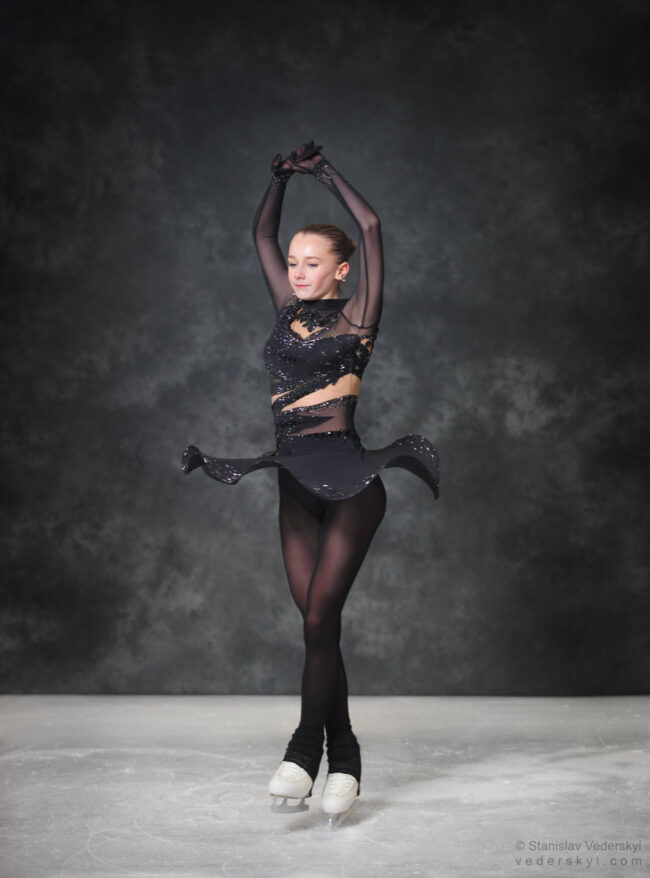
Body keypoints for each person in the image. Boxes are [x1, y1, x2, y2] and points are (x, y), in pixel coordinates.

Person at [181, 141, 439, 824]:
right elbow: (260, 233)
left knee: (322, 617)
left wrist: (324, 174)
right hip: (293, 480)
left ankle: (304, 749)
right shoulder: (284, 312)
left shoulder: (359, 318)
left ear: (342, 270)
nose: (296, 272)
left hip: (352, 481)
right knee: (316, 628)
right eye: (292, 264)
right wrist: (276, 178)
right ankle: (346, 754)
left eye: (312, 263)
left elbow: (375, 225)